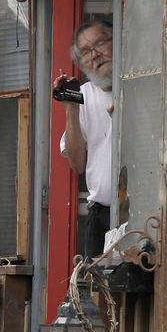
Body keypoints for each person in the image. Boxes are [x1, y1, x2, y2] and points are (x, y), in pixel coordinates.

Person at [54, 19, 113, 258]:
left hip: (145, 213)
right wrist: (71, 107)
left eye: (100, 44)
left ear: (116, 42)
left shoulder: (142, 83)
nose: (96, 54)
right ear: (81, 63)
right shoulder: (85, 95)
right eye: (87, 52)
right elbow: (77, 164)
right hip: (102, 216)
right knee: (99, 292)